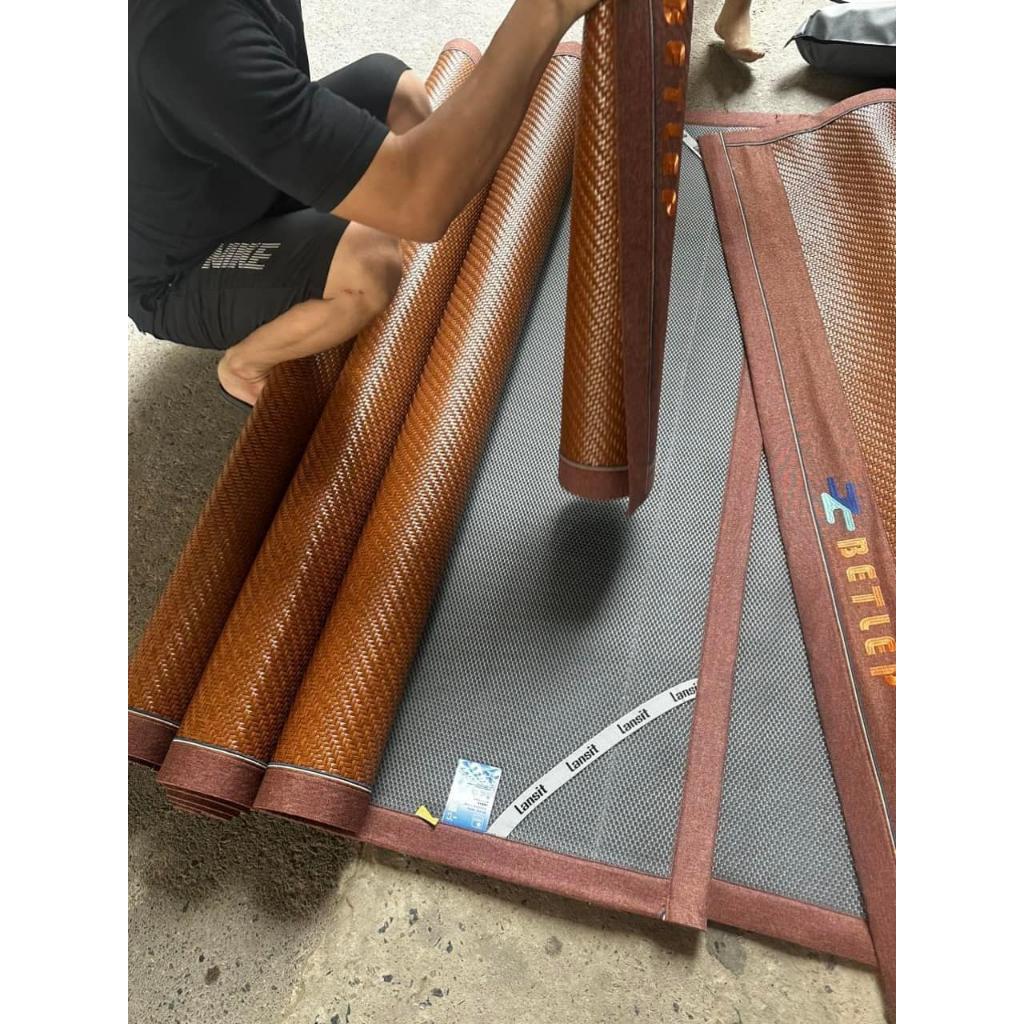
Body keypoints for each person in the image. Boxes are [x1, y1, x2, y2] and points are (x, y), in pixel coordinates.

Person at [129, 0, 597, 407]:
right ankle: (244, 367)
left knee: (394, 87)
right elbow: (420, 203)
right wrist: (547, 9)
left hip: (235, 174)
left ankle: (335, 245)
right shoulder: (187, 37)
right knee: (369, 264)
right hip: (181, 268)